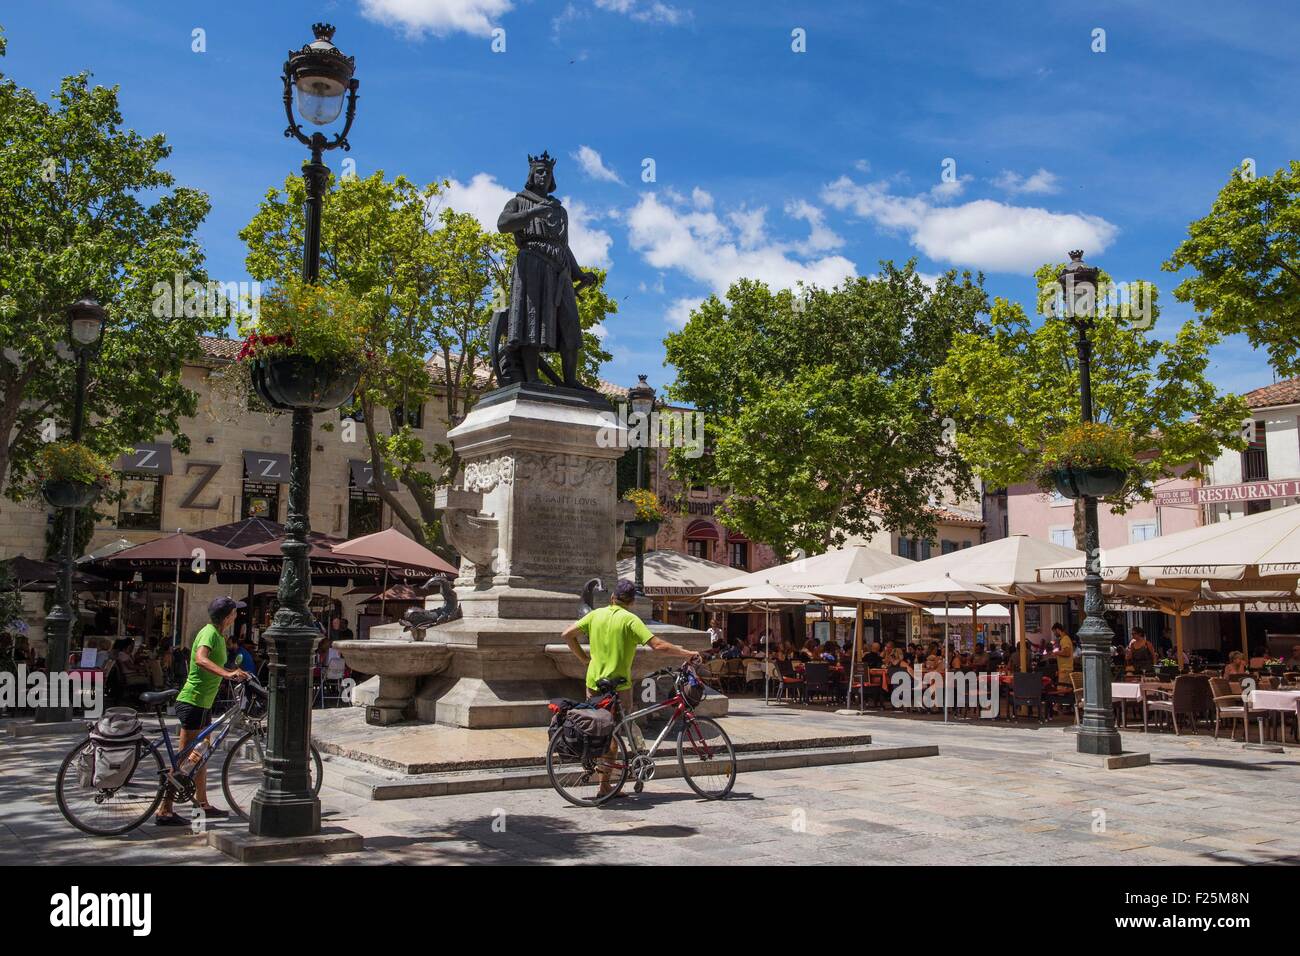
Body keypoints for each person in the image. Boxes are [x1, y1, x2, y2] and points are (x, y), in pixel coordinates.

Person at [561, 579, 697, 797]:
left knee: (601, 732)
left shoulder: (595, 615)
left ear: (612, 597)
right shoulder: (630, 620)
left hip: (593, 683)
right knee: (614, 735)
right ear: (632, 602)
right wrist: (687, 653)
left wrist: (584, 659)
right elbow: (658, 646)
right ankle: (605, 785)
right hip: (619, 686)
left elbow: (566, 635)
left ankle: (605, 781)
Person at [156, 596, 250, 826]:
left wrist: (234, 670)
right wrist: (227, 674)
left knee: (201, 755)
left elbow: (217, 662)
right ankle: (164, 809)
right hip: (194, 701)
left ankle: (203, 803)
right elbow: (200, 659)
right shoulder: (209, 632)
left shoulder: (218, 635)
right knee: (186, 759)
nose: (236, 616)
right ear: (228, 617)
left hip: (204, 703)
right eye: (234, 613)